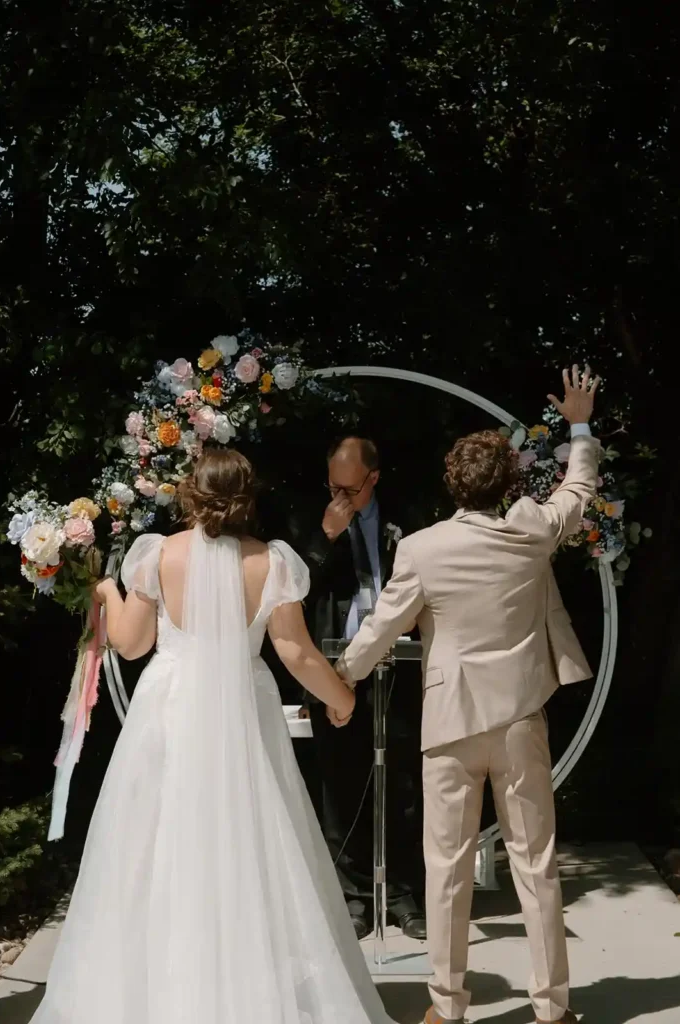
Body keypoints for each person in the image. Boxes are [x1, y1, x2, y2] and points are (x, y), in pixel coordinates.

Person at [31, 448, 394, 1024]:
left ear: (191, 495)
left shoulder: (157, 556)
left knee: (154, 845)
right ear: (248, 498)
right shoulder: (271, 563)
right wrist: (343, 698)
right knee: (252, 844)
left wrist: (105, 592)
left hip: (169, 711)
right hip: (243, 713)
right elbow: (295, 652)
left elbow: (130, 644)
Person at [336, 368, 600, 1024]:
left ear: (452, 485)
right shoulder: (536, 529)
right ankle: (552, 1010)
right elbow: (580, 485)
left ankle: (446, 1008)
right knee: (536, 866)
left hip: (449, 723)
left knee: (445, 870)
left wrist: (342, 673)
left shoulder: (424, 549)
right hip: (520, 721)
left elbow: (380, 629)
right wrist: (580, 424)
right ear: (509, 485)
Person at [288, 436, 426, 941]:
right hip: (334, 666)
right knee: (340, 783)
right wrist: (326, 536)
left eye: (351, 487)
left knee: (403, 782)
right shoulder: (311, 518)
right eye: (334, 485)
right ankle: (354, 896)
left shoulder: (405, 517)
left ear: (375, 477)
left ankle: (405, 894)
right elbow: (294, 591)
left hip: (399, 667)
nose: (342, 495)